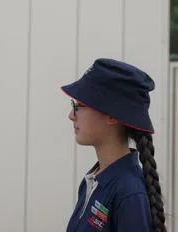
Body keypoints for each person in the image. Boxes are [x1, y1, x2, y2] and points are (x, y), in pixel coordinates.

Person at [62, 58, 167, 232]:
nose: (71, 116)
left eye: (79, 106)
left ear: (112, 116)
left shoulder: (129, 193)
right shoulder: (92, 180)